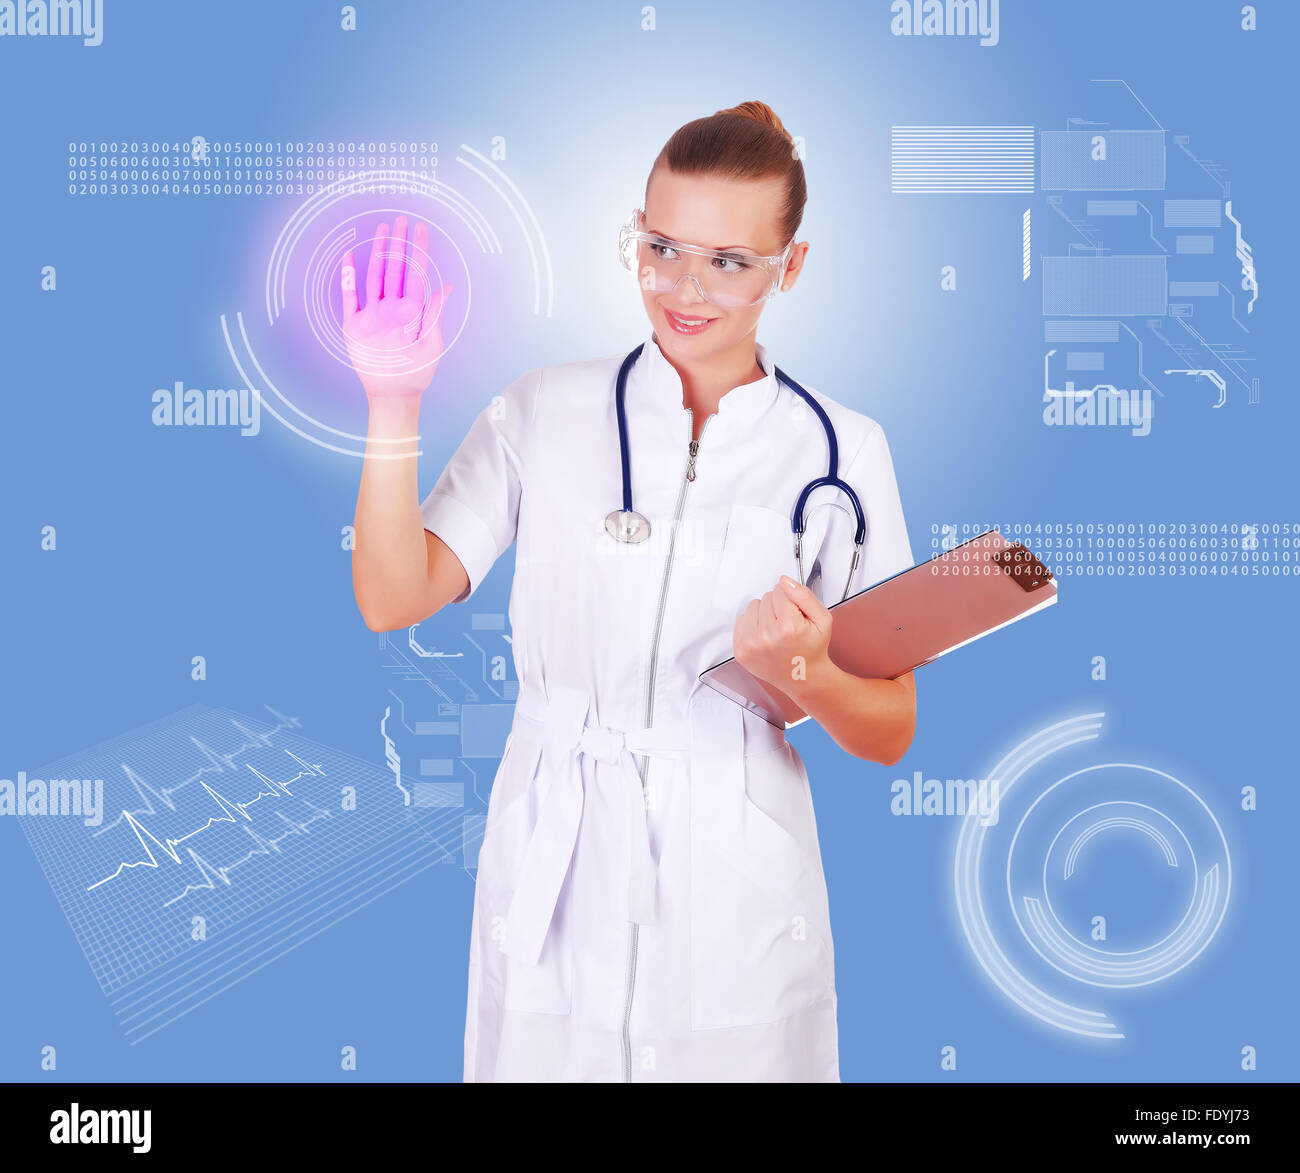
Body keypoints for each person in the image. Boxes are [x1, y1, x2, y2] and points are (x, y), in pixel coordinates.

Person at [345, 101, 917, 1082]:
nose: (684, 289)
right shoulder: (544, 410)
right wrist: (393, 400)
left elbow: (888, 729)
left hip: (736, 874)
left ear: (792, 265)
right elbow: (395, 596)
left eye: (729, 262)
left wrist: (805, 674)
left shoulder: (842, 450)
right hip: (557, 851)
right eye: (660, 248)